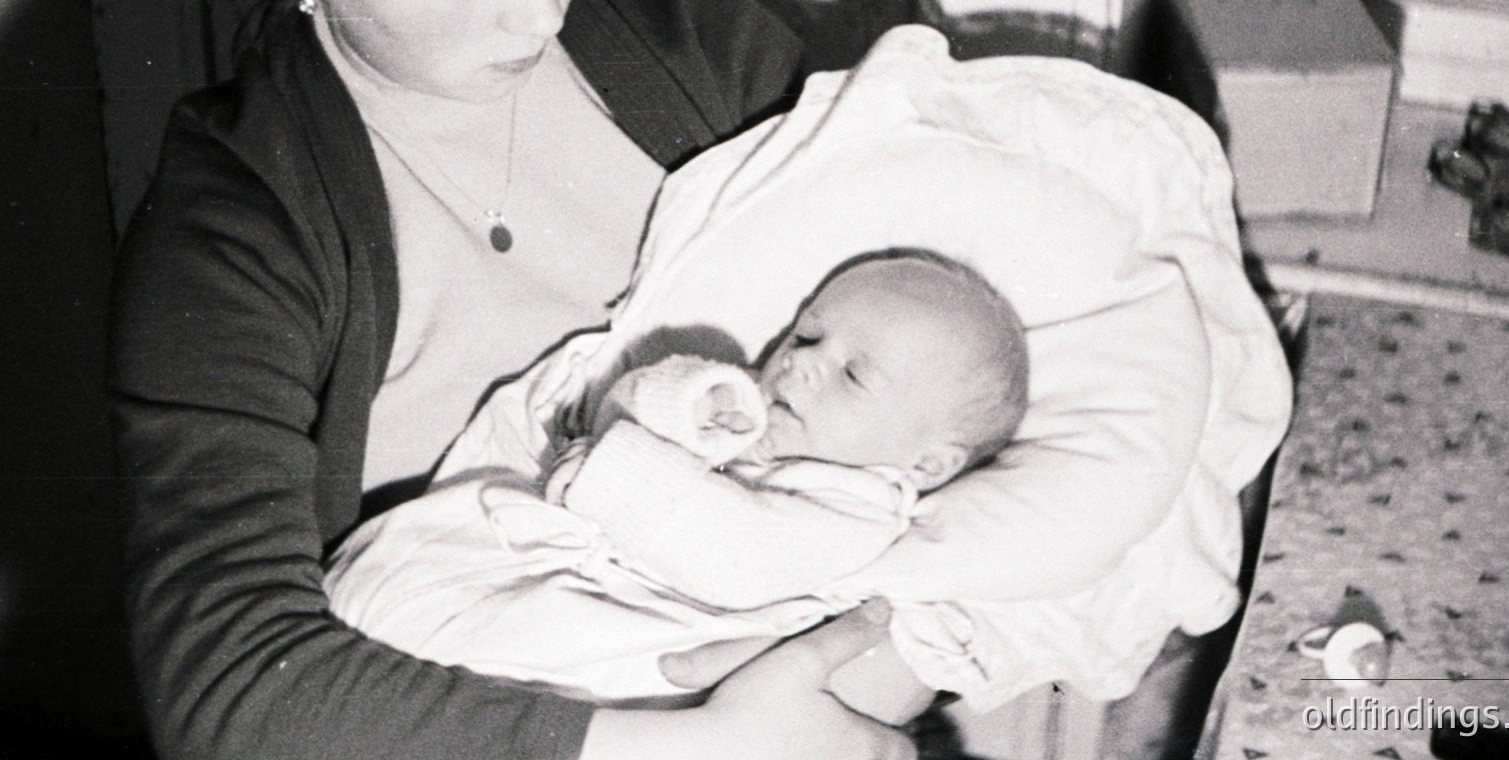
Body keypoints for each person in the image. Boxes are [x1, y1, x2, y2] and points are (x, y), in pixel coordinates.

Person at [107, 0, 916, 758]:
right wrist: (693, 744)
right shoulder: (233, 228)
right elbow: (230, 684)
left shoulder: (696, 46)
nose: (538, 8)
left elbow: (935, 332)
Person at [324, 251, 1030, 710]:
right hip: (562, 562)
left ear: (926, 464)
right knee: (409, 595)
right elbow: (616, 407)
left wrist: (605, 470)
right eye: (806, 335)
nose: (800, 362)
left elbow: (738, 554)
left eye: (852, 373)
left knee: (499, 664)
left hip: (628, 633)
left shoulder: (859, 509)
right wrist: (687, 401)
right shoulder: (745, 408)